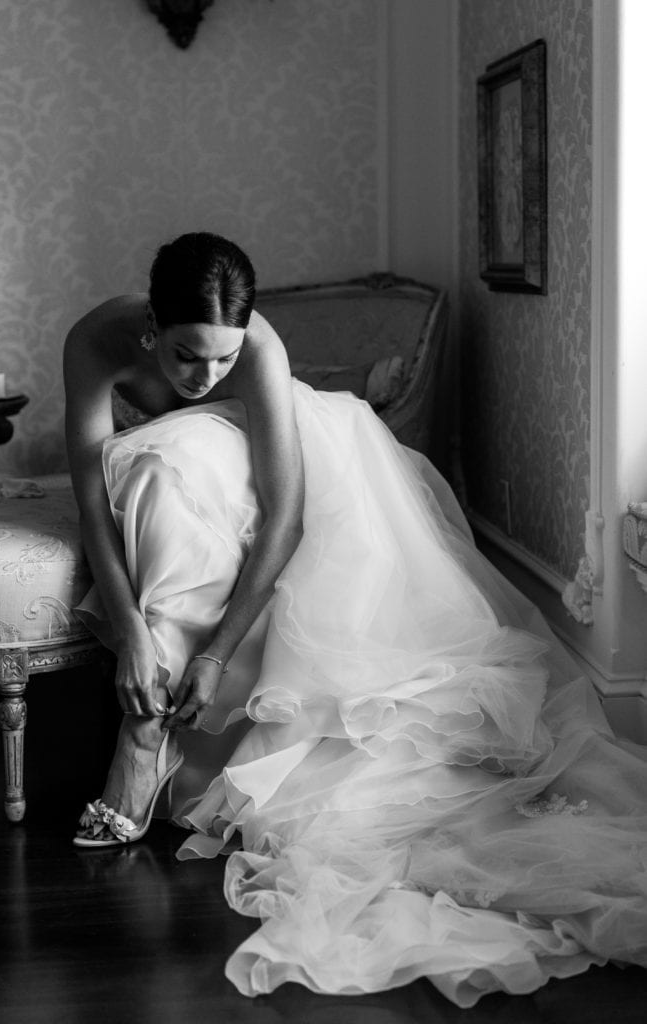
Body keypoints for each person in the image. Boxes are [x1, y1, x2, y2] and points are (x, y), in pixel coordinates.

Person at [64, 231, 647, 1007]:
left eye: (223, 359)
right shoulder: (93, 340)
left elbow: (285, 519)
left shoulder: (257, 352)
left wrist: (216, 655)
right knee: (142, 470)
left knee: (160, 462)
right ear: (148, 333)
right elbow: (87, 488)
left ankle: (150, 731)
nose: (207, 376)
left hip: (289, 471)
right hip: (190, 476)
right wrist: (131, 635)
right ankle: (150, 720)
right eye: (185, 357)